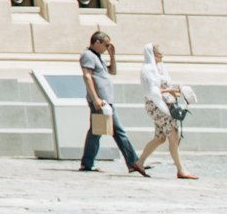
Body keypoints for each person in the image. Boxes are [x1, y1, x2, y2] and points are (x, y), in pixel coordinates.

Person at [79, 31, 145, 174]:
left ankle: (87, 163)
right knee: (117, 131)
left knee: (96, 132)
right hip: (101, 101)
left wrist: (112, 56)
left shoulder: (99, 57)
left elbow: (112, 71)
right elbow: (87, 76)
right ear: (97, 42)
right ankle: (134, 162)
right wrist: (96, 98)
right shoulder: (88, 55)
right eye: (106, 44)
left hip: (106, 100)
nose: (107, 47)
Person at [137, 45, 199, 180]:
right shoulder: (147, 70)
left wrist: (178, 90)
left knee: (160, 138)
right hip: (156, 105)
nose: (162, 56)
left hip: (164, 104)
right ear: (152, 54)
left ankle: (139, 162)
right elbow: (151, 90)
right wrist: (168, 91)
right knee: (173, 136)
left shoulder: (160, 68)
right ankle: (181, 170)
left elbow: (164, 85)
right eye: (159, 53)